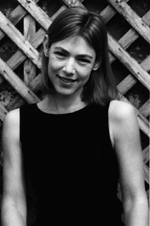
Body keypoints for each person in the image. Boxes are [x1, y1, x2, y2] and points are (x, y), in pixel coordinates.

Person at [1, 6, 148, 226]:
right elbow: (13, 202)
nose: (69, 69)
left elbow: (134, 200)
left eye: (82, 60)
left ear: (96, 63)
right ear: (47, 47)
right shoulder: (17, 122)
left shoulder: (117, 116)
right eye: (62, 54)